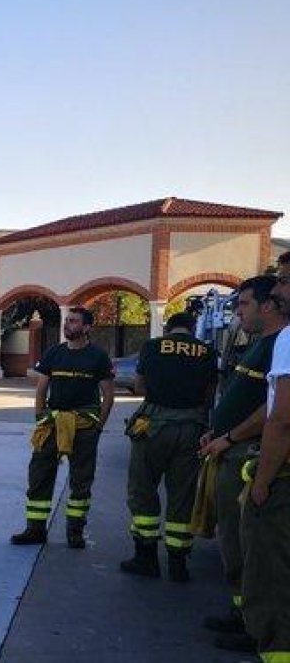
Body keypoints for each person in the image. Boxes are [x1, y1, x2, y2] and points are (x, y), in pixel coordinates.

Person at [197, 275, 283, 652]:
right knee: (235, 540)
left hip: (245, 455)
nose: (237, 313)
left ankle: (258, 626)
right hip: (228, 449)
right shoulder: (262, 345)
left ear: (267, 305)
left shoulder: (280, 345)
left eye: (244, 305)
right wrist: (216, 430)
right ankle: (245, 615)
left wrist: (229, 438)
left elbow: (275, 412)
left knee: (252, 547)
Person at [119, 312, 216, 581]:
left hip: (154, 427)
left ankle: (146, 558)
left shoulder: (152, 347)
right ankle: (178, 565)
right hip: (192, 427)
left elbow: (139, 387)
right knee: (182, 495)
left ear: (168, 328)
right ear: (193, 328)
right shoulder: (207, 351)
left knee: (143, 489)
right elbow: (210, 393)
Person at [10, 307, 114, 548]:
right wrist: (40, 417)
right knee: (39, 475)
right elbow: (42, 387)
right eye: (67, 321)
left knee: (81, 480)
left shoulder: (98, 357)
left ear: (87, 327)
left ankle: (75, 532)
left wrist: (98, 427)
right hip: (53, 424)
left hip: (84, 426)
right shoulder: (54, 353)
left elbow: (108, 395)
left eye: (74, 322)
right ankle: (35, 530)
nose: (68, 325)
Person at [239, 253, 290, 663]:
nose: (278, 289)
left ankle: (272, 647)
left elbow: (281, 419)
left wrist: (262, 482)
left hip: (279, 473)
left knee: (271, 567)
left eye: (285, 281)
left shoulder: (287, 340)